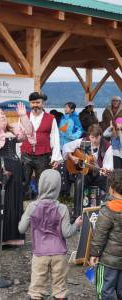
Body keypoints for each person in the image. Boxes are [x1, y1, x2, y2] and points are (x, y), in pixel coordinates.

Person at [0, 102, 35, 245]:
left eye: (3, 114)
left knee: (12, 202)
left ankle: (12, 238)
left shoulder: (13, 131)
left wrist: (23, 116)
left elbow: (28, 133)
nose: (2, 116)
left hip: (13, 170)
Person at [18, 169, 82, 300]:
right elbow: (67, 233)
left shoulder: (32, 207)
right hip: (59, 253)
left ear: (41, 185)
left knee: (36, 288)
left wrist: (29, 219)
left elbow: (21, 229)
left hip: (40, 253)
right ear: (58, 187)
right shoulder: (62, 208)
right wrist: (76, 224)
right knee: (60, 289)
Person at [63, 124, 113, 218]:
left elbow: (108, 166)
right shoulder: (83, 141)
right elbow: (66, 147)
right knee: (79, 182)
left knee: (109, 186)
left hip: (99, 175)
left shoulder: (107, 146)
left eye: (96, 137)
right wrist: (72, 157)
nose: (93, 140)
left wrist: (104, 171)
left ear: (100, 136)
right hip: (86, 174)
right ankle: (77, 215)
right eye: (91, 137)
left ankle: (109, 215)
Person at [20, 92, 62, 196]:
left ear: (43, 104)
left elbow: (55, 138)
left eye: (38, 102)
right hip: (25, 155)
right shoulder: (23, 117)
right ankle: (20, 206)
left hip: (43, 156)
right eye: (33, 102)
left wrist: (55, 158)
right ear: (30, 104)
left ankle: (41, 207)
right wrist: (17, 153)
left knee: (42, 184)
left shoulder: (51, 118)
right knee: (23, 182)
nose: (35, 105)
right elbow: (19, 136)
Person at [90, 169, 122, 300]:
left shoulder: (108, 209)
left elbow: (99, 236)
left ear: (112, 189)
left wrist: (94, 254)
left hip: (108, 261)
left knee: (105, 291)